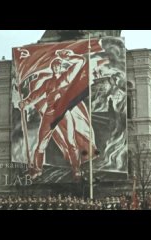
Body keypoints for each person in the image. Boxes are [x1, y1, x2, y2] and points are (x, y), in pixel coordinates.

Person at [20, 49, 98, 179]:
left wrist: (68, 57)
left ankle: (76, 169)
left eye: (58, 65)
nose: (56, 67)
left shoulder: (66, 77)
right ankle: (37, 170)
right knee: (41, 143)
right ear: (52, 68)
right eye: (54, 65)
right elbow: (36, 94)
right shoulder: (47, 83)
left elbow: (80, 61)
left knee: (71, 142)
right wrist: (25, 102)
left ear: (61, 67)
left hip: (63, 113)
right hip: (50, 114)